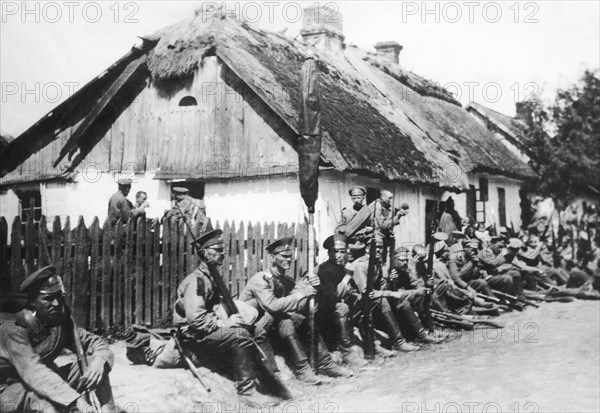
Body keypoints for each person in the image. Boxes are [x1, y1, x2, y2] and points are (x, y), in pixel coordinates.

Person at [173, 229, 279, 404]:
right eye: (217, 250)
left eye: (222, 250)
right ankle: (246, 393)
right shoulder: (197, 281)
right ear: (204, 253)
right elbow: (196, 320)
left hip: (208, 331)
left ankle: (271, 380)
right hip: (193, 337)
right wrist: (225, 323)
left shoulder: (212, 277)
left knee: (257, 330)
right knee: (240, 335)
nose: (222, 254)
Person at [0, 265, 115, 413]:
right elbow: (33, 371)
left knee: (94, 365)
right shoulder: (11, 329)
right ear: (32, 303)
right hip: (10, 390)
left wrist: (100, 360)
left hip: (44, 384)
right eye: (48, 298)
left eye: (58, 297)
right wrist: (75, 400)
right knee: (46, 407)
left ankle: (110, 410)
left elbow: (94, 342)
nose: (56, 303)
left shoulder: (58, 323)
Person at [240, 237, 353, 385]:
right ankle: (302, 369)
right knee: (283, 318)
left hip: (274, 328)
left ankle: (325, 363)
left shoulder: (286, 281)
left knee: (301, 319)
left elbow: (297, 306)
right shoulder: (260, 279)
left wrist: (312, 286)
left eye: (290, 256)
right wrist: (301, 293)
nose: (289, 260)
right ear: (273, 257)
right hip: (251, 330)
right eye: (284, 256)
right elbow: (272, 306)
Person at [346, 235, 421, 352]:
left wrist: (390, 281)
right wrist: (390, 293)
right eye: (375, 247)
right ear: (367, 249)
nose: (378, 250)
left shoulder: (376, 263)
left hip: (372, 300)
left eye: (380, 247)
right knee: (384, 300)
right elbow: (367, 293)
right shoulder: (361, 265)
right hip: (357, 303)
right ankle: (398, 342)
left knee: (400, 298)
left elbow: (379, 287)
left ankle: (420, 333)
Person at [315, 234, 367, 366]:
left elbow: (354, 290)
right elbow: (333, 297)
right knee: (341, 307)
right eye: (335, 252)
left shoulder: (345, 266)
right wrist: (347, 276)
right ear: (329, 253)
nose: (339, 255)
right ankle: (346, 351)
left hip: (343, 313)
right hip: (325, 312)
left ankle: (369, 342)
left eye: (342, 252)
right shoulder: (323, 269)